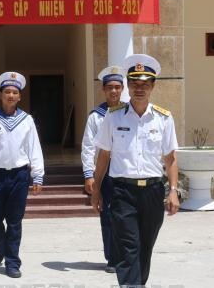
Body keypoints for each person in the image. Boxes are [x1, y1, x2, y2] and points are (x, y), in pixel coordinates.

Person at [91, 54, 180, 286]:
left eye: (144, 85)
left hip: (152, 191)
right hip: (122, 191)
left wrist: (172, 190)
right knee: (128, 245)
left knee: (145, 246)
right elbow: (103, 156)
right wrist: (96, 189)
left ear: (152, 86)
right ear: (127, 86)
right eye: (134, 84)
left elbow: (170, 158)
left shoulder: (163, 118)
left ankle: (137, 283)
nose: (139, 89)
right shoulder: (113, 116)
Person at [0, 71, 44, 279]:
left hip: (19, 177)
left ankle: (12, 262)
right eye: (7, 92)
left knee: (14, 221)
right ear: (0, 95)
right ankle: (1, 247)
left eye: (14, 92)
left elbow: (34, 149)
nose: (11, 95)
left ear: (20, 96)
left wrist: (37, 175)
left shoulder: (26, 120)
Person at [81, 65, 125, 274]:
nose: (114, 91)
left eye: (117, 87)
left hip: (126, 172)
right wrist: (89, 175)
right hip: (105, 173)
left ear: (123, 88)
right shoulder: (96, 116)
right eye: (110, 87)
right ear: (104, 90)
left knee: (126, 215)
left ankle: (126, 254)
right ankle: (112, 257)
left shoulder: (130, 112)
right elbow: (88, 147)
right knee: (107, 215)